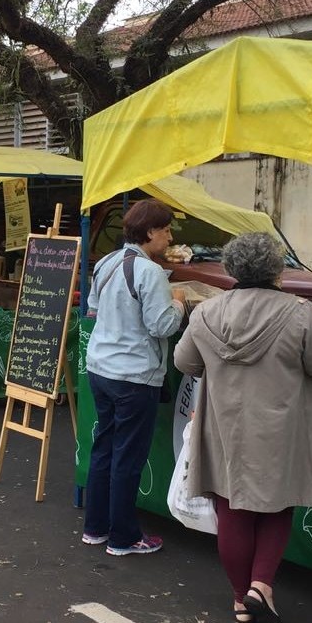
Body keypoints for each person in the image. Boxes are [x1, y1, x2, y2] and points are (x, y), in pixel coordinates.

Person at [173, 232, 312, 623]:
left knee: (231, 510)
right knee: (277, 507)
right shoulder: (299, 312)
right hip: (281, 429)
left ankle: (241, 600)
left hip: (224, 427)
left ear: (231, 268)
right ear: (276, 269)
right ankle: (261, 585)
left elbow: (184, 362)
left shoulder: (207, 313)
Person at [83, 198, 186, 556]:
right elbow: (162, 325)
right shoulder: (150, 272)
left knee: (104, 449)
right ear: (150, 232)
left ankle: (95, 528)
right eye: (167, 230)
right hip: (134, 376)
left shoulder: (107, 262)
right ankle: (123, 538)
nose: (170, 238)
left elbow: (94, 309)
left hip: (100, 368)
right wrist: (179, 303)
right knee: (127, 457)